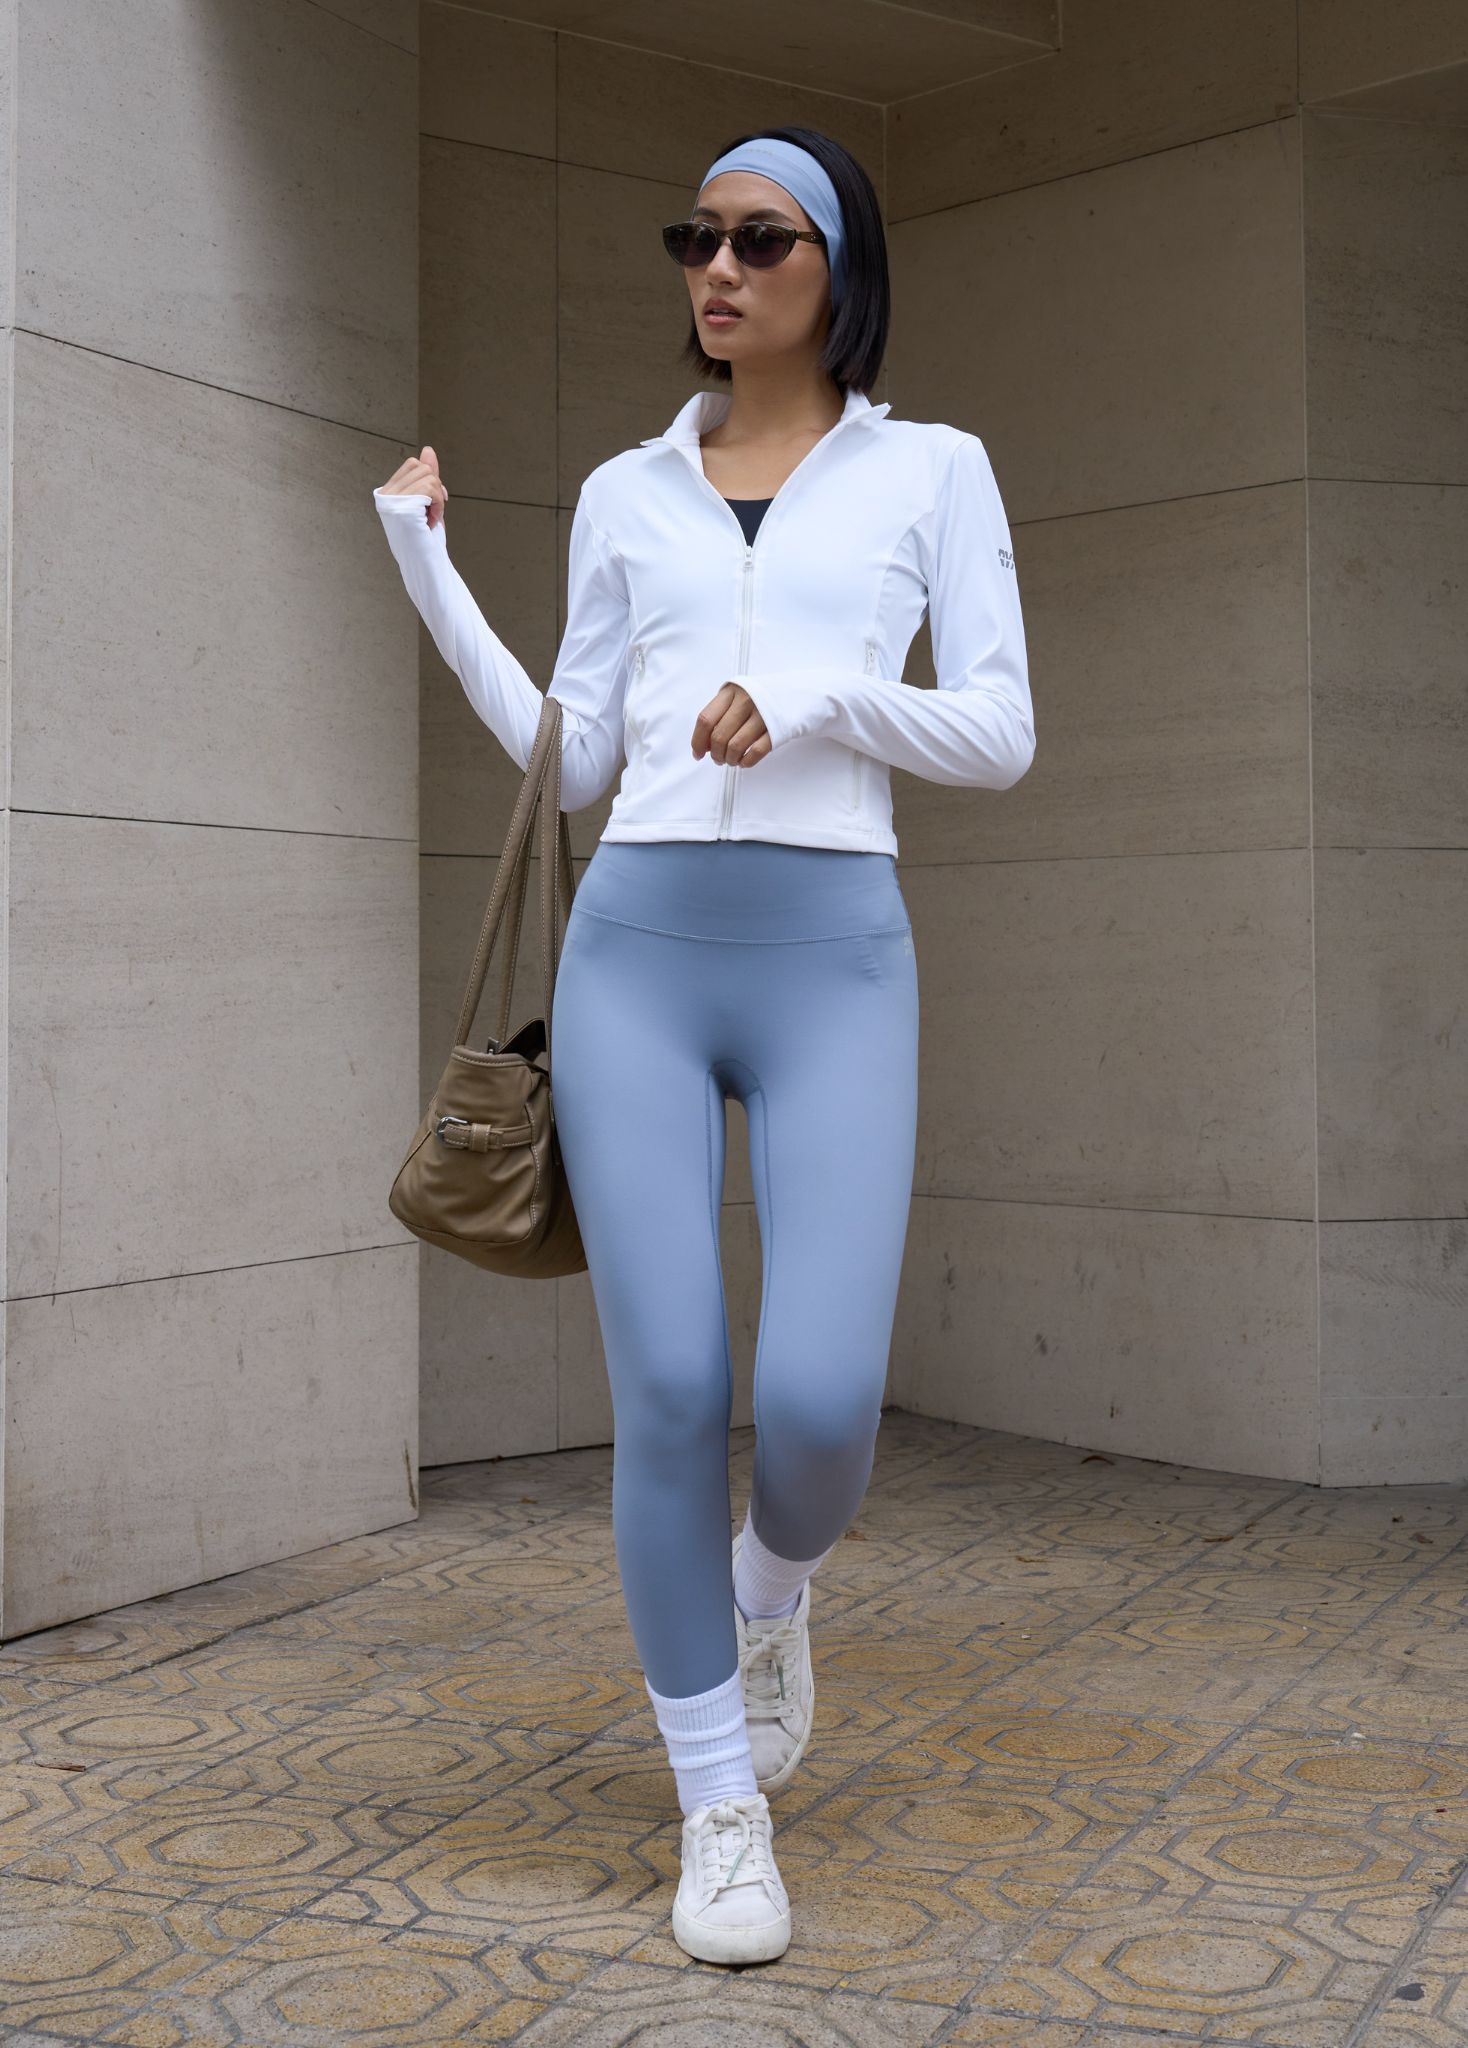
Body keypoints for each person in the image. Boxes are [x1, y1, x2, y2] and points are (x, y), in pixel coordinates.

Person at [373, 124, 1034, 1968]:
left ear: (841, 266)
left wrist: (817, 701)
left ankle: (768, 1594)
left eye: (760, 239)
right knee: (670, 1390)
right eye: (697, 239)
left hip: (837, 960)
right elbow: (577, 757)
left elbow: (1001, 728)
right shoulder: (626, 492)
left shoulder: (934, 470)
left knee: (816, 1409)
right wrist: (428, 569)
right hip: (638, 955)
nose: (719, 269)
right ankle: (718, 1807)